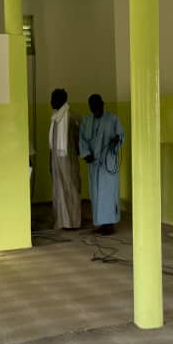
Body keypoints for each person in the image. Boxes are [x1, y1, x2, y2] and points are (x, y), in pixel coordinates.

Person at [79, 93, 124, 235]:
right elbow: (82, 139)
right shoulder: (86, 121)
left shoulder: (113, 119)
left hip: (108, 162)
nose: (95, 109)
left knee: (109, 194)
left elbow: (121, 135)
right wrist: (86, 154)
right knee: (96, 194)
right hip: (94, 164)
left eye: (97, 105)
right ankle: (100, 223)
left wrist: (116, 140)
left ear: (103, 104)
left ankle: (110, 225)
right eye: (92, 107)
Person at [48, 88, 82, 229]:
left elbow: (79, 139)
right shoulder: (55, 118)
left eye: (53, 99)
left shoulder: (73, 117)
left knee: (71, 188)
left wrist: (77, 154)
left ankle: (73, 222)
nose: (50, 102)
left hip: (69, 160)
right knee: (59, 189)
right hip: (56, 160)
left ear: (61, 100)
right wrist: (50, 160)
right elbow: (52, 144)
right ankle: (62, 221)